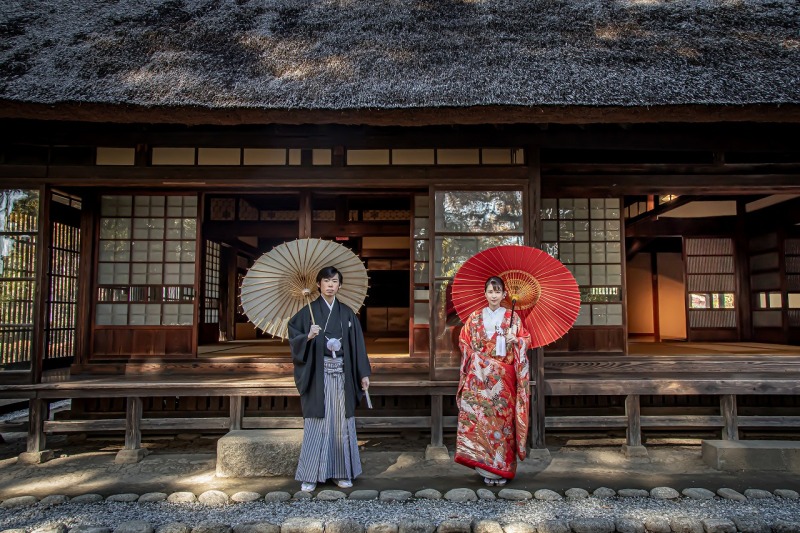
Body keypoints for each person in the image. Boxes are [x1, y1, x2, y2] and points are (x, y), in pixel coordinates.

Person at [288, 265, 371, 492]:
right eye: (326, 281)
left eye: (334, 281)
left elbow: (358, 347)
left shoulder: (346, 313)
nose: (330, 285)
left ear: (340, 285)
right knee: (317, 422)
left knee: (340, 424)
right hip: (318, 376)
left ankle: (341, 472)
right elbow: (293, 334)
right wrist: (307, 336)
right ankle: (310, 474)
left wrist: (363, 373)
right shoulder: (308, 312)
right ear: (318, 284)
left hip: (342, 375)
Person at [454, 276, 531, 486]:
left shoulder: (513, 318)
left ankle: (502, 469)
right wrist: (476, 358)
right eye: (490, 291)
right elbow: (464, 342)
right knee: (482, 422)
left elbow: (526, 339)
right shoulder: (475, 317)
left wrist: (517, 341)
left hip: (503, 379)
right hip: (480, 378)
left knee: (503, 423)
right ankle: (485, 469)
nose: (494, 295)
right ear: (485, 294)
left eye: (498, 292)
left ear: (504, 294)